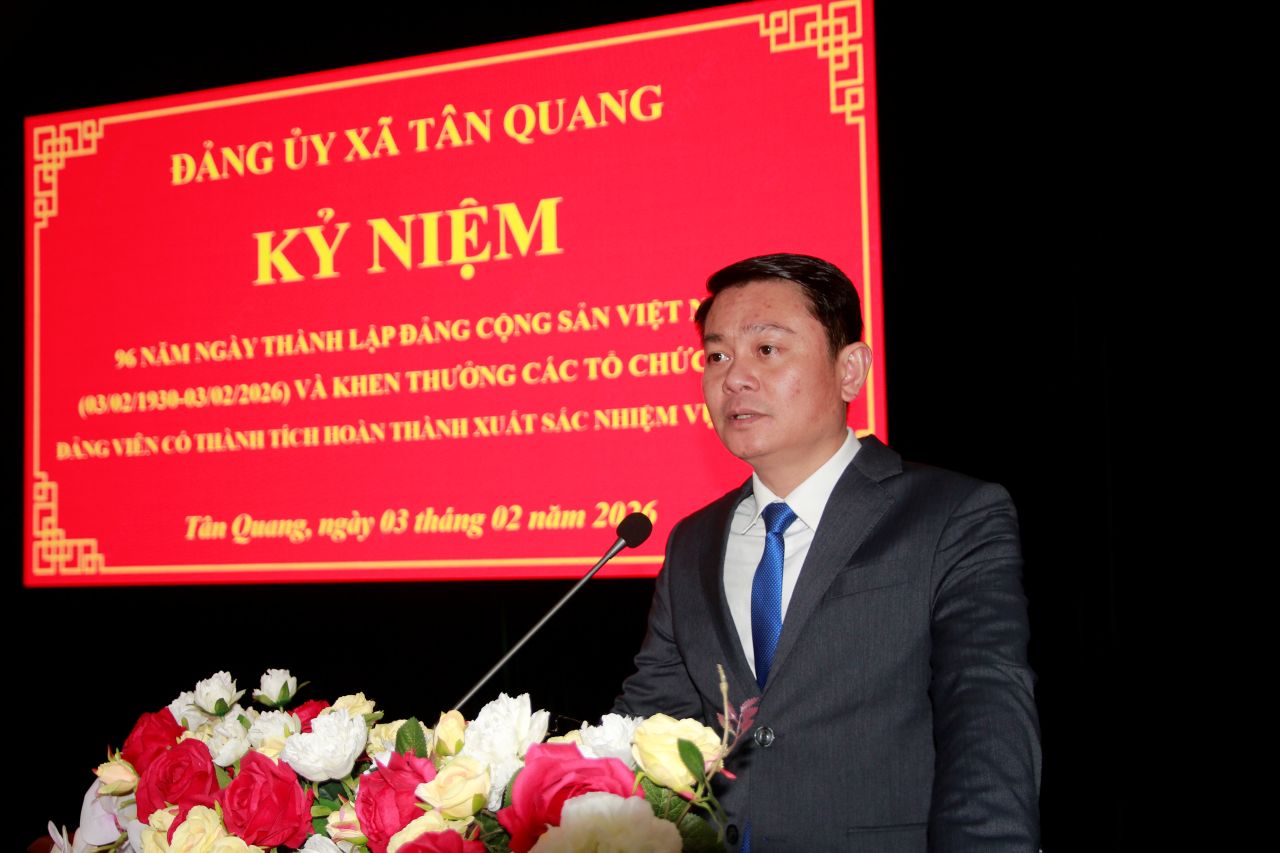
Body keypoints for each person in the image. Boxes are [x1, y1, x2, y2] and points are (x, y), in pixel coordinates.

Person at [613, 254, 1041, 851]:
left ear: (850, 370)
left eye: (766, 349)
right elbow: (649, 725)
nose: (733, 378)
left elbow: (986, 719)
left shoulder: (951, 514)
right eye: (717, 356)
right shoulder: (693, 541)